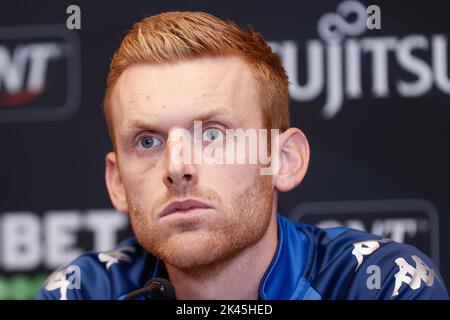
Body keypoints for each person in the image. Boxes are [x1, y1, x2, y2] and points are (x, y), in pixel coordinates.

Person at [36, 11, 448, 300]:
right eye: (148, 141)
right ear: (117, 182)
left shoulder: (377, 285)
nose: (177, 166)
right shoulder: (82, 291)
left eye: (212, 134)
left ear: (283, 160)